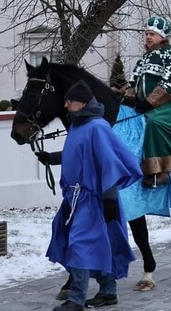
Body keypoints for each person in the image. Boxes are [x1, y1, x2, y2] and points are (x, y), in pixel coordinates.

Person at [40, 80, 143, 311]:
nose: (66, 105)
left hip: (95, 200)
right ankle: (108, 292)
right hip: (77, 200)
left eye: (70, 101)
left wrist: (108, 198)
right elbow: (77, 152)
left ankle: (76, 299)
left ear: (83, 103)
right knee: (96, 244)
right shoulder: (78, 125)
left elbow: (110, 163)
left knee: (80, 244)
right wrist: (53, 158)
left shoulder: (98, 127)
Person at [129, 16, 171, 188]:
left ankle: (159, 172)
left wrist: (149, 102)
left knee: (153, 123)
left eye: (152, 34)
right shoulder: (145, 58)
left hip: (170, 107)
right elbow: (133, 81)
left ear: (162, 36)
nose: (148, 37)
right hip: (148, 106)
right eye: (146, 34)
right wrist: (128, 98)